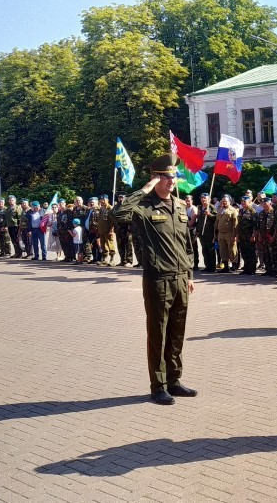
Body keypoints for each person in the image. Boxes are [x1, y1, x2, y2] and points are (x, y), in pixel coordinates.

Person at [113, 154, 198, 406]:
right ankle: (158, 386)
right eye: (167, 177)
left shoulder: (179, 206)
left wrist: (190, 275)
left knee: (176, 333)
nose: (172, 181)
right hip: (158, 279)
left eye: (174, 176)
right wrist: (144, 189)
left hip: (181, 279)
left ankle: (174, 380)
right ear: (155, 178)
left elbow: (188, 246)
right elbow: (118, 214)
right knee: (158, 333)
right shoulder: (143, 207)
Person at [215, 195, 239, 273]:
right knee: (223, 250)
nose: (224, 202)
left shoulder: (233, 210)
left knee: (232, 250)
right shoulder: (220, 210)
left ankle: (234, 266)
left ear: (230, 202)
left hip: (229, 233)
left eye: (225, 201)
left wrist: (234, 235)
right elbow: (217, 222)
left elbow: (235, 224)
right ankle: (226, 267)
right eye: (223, 201)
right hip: (221, 233)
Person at [195, 193, 217, 273]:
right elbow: (199, 220)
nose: (203, 200)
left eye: (205, 198)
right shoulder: (200, 208)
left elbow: (216, 219)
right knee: (204, 250)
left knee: (210, 249)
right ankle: (207, 266)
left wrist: (209, 214)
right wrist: (197, 230)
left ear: (209, 199)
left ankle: (212, 267)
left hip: (209, 232)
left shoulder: (212, 207)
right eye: (202, 198)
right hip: (201, 232)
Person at [237, 195, 258, 275]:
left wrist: (253, 235)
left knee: (251, 252)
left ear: (249, 202)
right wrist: (238, 235)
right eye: (242, 201)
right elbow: (239, 224)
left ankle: (252, 269)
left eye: (245, 201)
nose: (243, 203)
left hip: (249, 235)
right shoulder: (241, 211)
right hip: (242, 235)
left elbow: (255, 225)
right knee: (244, 252)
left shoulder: (252, 211)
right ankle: (246, 268)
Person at [115, 193, 134, 267]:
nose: (120, 199)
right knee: (120, 245)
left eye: (122, 197)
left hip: (126, 228)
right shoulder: (116, 207)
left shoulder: (128, 206)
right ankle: (122, 260)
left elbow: (131, 219)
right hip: (119, 228)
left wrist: (129, 230)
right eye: (119, 197)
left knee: (128, 245)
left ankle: (129, 260)